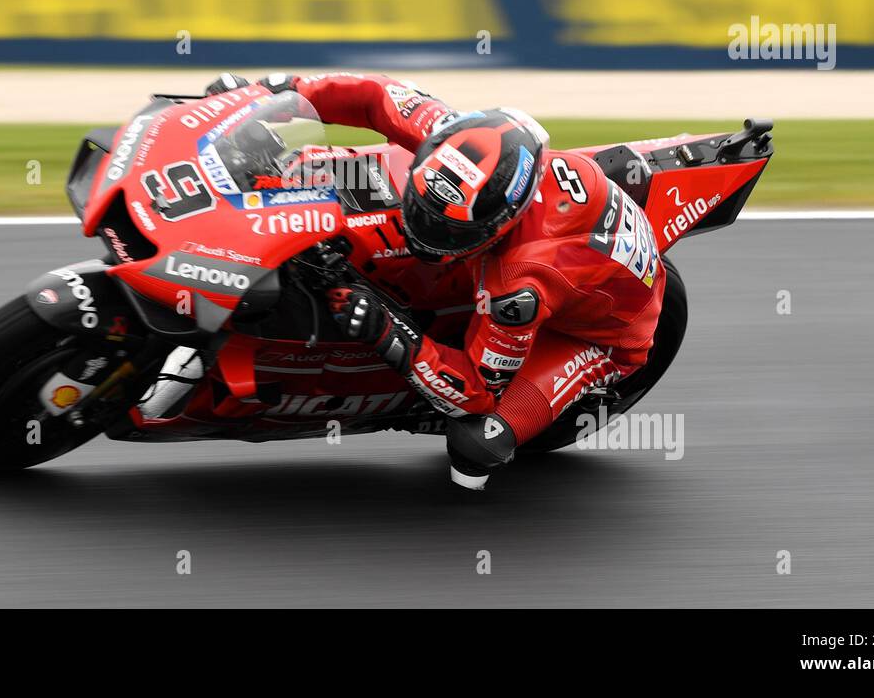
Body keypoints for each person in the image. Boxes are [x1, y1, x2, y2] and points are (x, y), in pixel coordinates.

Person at [206, 71, 666, 490]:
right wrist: (274, 93)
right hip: (576, 232)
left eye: (448, 231)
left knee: (477, 444)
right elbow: (372, 95)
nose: (422, 233)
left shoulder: (517, 284)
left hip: (600, 334)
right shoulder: (458, 138)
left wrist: (384, 328)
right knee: (311, 171)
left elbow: (477, 390)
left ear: (499, 226)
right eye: (422, 211)